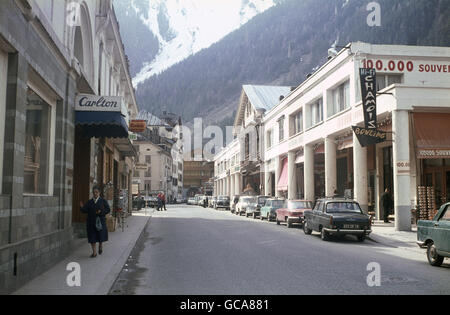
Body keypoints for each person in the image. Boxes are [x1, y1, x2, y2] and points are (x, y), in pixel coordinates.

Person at [80, 186, 111, 258]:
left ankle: (100, 245)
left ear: (99, 193)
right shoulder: (89, 202)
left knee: (100, 236)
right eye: (94, 192)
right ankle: (94, 253)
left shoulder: (103, 201)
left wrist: (102, 212)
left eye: (96, 192)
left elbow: (108, 209)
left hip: (100, 221)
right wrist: (81, 207)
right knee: (92, 238)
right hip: (91, 222)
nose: (95, 193)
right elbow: (85, 210)